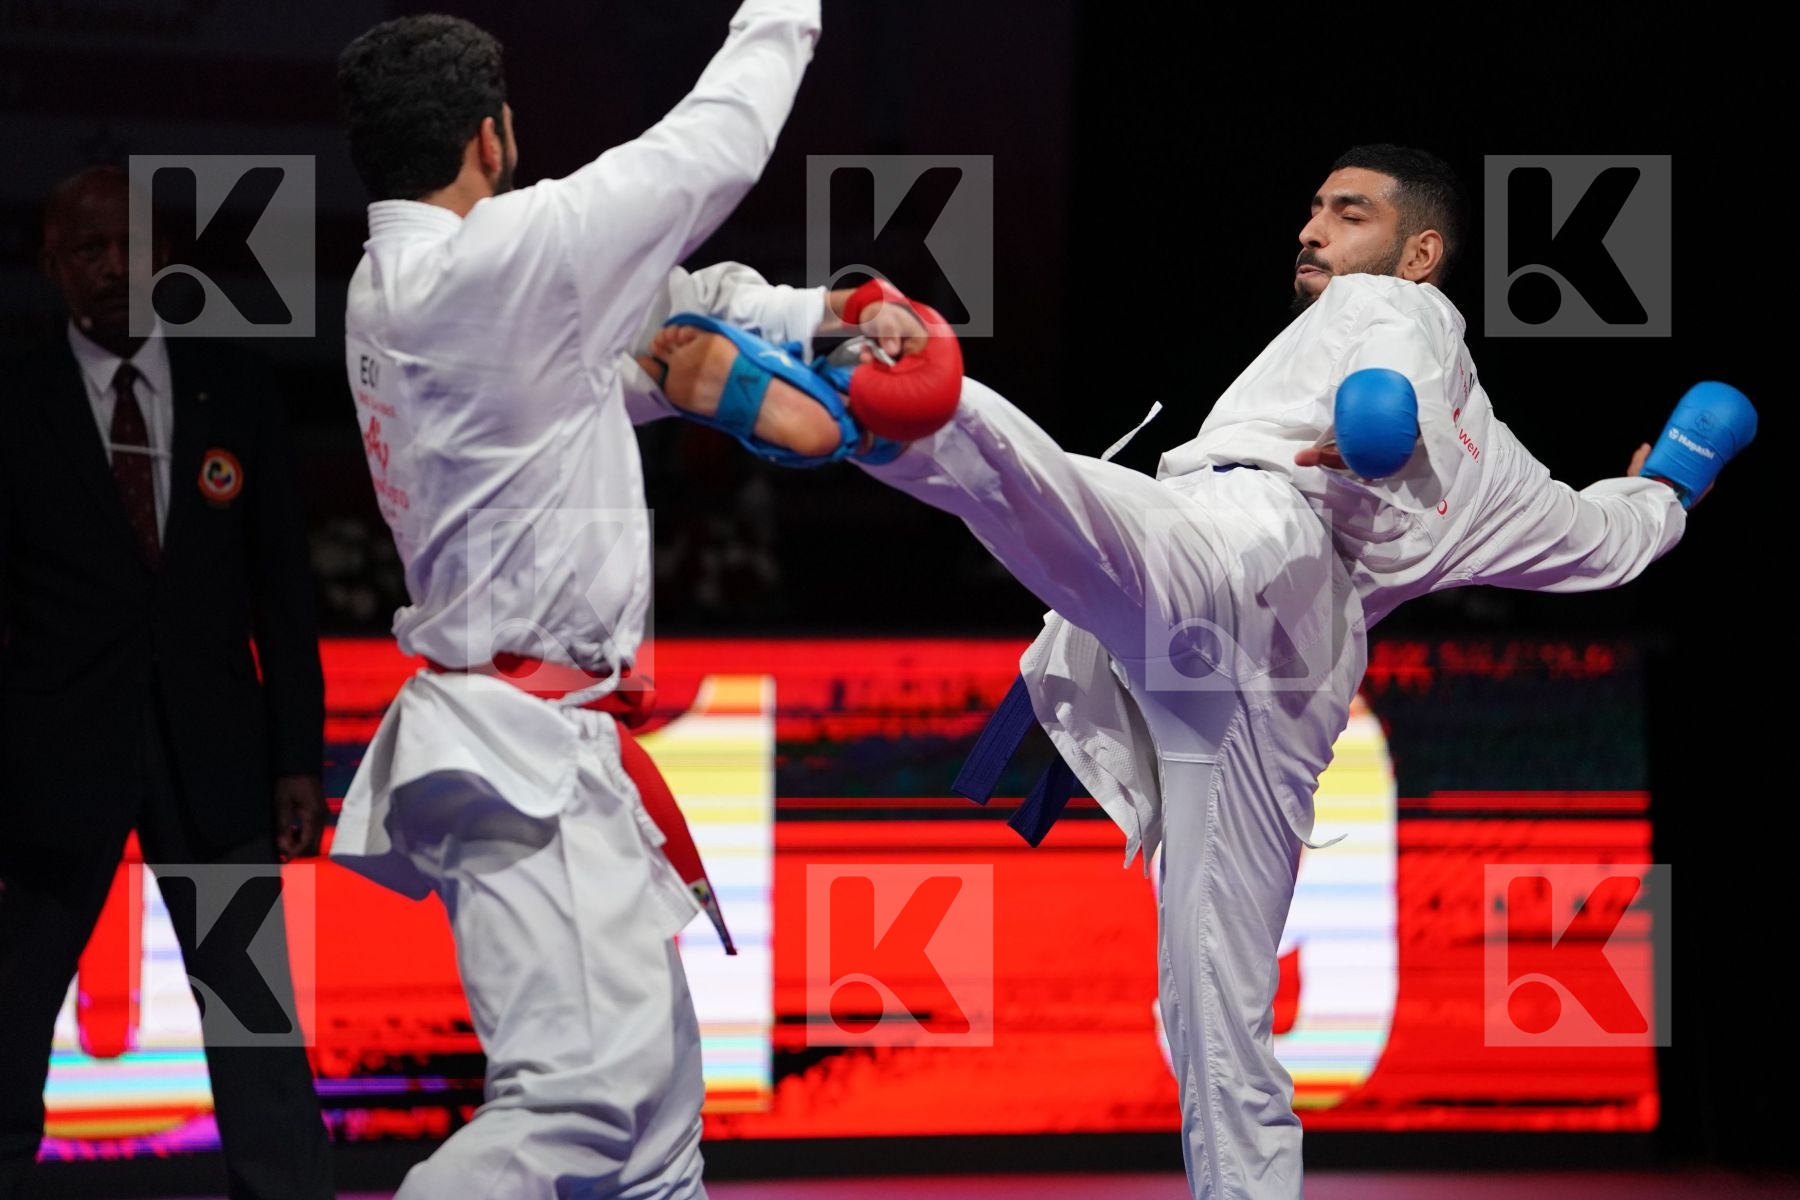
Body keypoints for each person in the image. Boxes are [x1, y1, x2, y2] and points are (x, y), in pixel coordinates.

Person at [642, 144, 1751, 1198]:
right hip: (1286, 682)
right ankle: (878, 408)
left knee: (1045, 487)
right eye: (1313, 209)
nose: (1312, 230)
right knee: (1214, 1006)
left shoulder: (1394, 307)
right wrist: (1674, 479)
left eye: (1347, 212)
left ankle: (867, 384)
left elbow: (1386, 389)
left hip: (1235, 543)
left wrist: (1381, 424)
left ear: (1421, 253)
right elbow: (1609, 542)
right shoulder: (1503, 479)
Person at [325, 7, 897, 1196]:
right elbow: (708, 149)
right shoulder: (485, 269)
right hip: (523, 746)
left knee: (651, 1142)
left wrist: (823, 319)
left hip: (543, 743)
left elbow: (657, 323)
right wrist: (783, 10)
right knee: (577, 1110)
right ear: (491, 136)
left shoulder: (427, 285)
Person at [0, 166, 332, 1200]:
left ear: (166, 258)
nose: (112, 267)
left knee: (251, 1015)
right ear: (52, 267)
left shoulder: (232, 382)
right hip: (54, 762)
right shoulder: (13, 397)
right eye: (87, 250)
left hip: (216, 752)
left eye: (129, 246)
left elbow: (283, 587)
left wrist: (295, 759)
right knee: (10, 1014)